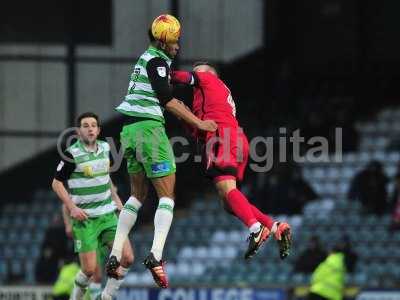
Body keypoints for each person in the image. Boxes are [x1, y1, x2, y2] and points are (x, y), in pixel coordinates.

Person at [105, 14, 217, 289]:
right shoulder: (156, 60)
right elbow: (166, 99)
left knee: (137, 195)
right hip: (148, 131)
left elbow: (163, 91)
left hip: (129, 131)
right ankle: (156, 255)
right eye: (175, 40)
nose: (178, 45)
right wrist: (199, 121)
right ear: (164, 40)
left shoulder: (148, 60)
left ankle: (115, 253)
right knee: (167, 195)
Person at [171, 62, 291, 259]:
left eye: (197, 71)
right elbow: (198, 130)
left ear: (210, 73)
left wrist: (162, 74)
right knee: (229, 203)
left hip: (223, 138)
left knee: (228, 191)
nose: (195, 74)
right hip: (233, 138)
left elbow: (182, 77)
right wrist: (186, 118)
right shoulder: (212, 97)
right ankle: (273, 226)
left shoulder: (209, 79)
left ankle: (256, 229)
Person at [52, 112, 134, 300]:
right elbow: (56, 184)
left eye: (93, 125)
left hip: (108, 215)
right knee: (89, 270)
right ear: (79, 131)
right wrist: (72, 208)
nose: (90, 128)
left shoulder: (105, 148)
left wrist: (117, 200)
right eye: (85, 125)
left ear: (98, 130)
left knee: (128, 258)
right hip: (85, 219)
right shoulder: (72, 154)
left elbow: (106, 178)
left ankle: (106, 296)